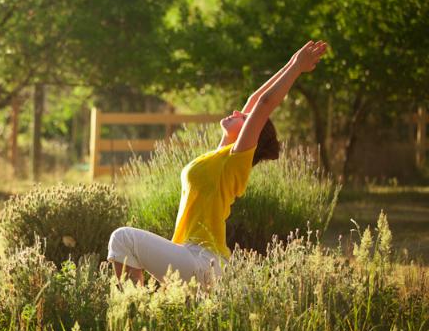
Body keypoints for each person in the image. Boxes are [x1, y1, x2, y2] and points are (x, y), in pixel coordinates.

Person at [108, 40, 328, 285]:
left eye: (243, 117)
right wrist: (291, 61)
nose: (237, 112)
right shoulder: (218, 157)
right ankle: (138, 310)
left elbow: (264, 105)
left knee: (122, 238)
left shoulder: (235, 162)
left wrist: (297, 68)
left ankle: (132, 310)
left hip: (203, 260)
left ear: (250, 133)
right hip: (190, 255)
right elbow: (256, 99)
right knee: (126, 244)